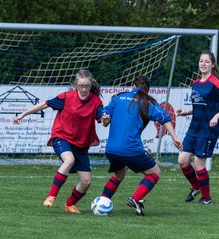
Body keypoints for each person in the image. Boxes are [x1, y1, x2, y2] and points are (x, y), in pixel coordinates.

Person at [13, 69, 104, 213]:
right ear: (76, 85)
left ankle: (70, 205)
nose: (84, 89)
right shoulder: (66, 97)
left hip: (81, 144)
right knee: (69, 160)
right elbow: (44, 104)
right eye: (81, 86)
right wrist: (23, 114)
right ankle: (51, 196)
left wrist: (105, 120)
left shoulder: (96, 101)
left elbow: (102, 120)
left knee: (86, 181)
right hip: (62, 137)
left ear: (91, 84)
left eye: (87, 85)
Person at [101, 75, 182, 216]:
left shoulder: (117, 98)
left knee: (119, 174)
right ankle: (135, 199)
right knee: (155, 172)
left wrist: (105, 120)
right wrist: (175, 137)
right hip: (130, 149)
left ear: (133, 86)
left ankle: (102, 201)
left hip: (111, 149)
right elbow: (165, 118)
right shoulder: (147, 102)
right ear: (148, 89)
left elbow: (105, 120)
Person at [177, 50, 219, 205]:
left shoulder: (216, 83)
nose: (203, 64)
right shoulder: (194, 83)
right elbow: (200, 106)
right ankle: (196, 188)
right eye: (201, 61)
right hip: (194, 127)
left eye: (207, 61)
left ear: (212, 64)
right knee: (182, 160)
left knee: (199, 163)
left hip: (208, 129)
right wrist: (186, 112)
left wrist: (216, 116)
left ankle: (206, 198)